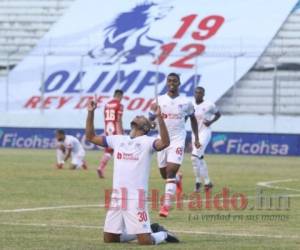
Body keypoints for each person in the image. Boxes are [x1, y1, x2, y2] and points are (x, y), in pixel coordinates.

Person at [85, 99, 179, 245]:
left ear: (146, 128)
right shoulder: (118, 139)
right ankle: (149, 229)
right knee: (110, 239)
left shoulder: (148, 142)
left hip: (136, 198)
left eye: (143, 117)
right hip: (117, 197)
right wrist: (90, 112)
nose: (139, 115)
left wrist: (160, 118)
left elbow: (165, 143)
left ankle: (163, 235)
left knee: (146, 242)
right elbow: (90, 137)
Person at [149, 72, 200, 217]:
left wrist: (196, 138)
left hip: (178, 140)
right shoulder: (158, 101)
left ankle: (166, 206)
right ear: (166, 83)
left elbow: (193, 119)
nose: (172, 83)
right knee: (164, 175)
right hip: (162, 140)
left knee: (170, 171)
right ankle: (178, 179)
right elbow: (150, 120)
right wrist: (152, 124)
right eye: (169, 80)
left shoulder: (186, 102)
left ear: (179, 83)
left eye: (174, 81)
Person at [191, 86, 221, 192]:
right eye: (196, 92)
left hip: (205, 133)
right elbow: (187, 117)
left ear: (203, 94)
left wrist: (210, 122)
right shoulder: (191, 105)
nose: (198, 94)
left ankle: (198, 182)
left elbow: (218, 114)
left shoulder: (209, 105)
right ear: (194, 93)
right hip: (195, 133)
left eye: (200, 93)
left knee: (194, 157)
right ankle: (208, 182)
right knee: (200, 158)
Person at [97, 89, 124, 178]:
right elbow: (119, 119)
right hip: (116, 129)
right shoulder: (119, 105)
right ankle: (121, 171)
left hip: (108, 128)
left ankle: (101, 167)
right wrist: (121, 132)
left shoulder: (107, 104)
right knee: (120, 149)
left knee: (109, 150)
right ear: (120, 96)